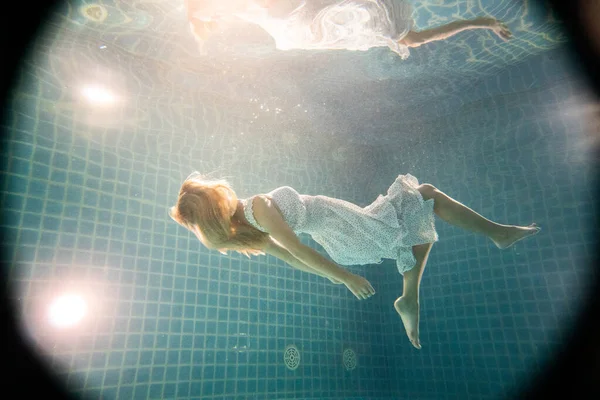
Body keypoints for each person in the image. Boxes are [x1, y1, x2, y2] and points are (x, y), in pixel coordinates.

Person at [169, 172, 540, 349]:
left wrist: (329, 272)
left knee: (415, 221)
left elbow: (292, 259)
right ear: (215, 203)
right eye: (214, 192)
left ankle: (410, 298)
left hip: (346, 228)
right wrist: (343, 276)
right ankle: (496, 233)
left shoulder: (248, 224)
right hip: (346, 229)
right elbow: (297, 252)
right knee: (422, 197)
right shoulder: (259, 209)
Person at [184, 0, 512, 58]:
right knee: (411, 40)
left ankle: (483, 22)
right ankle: (483, 23)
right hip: (303, 24)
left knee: (411, 39)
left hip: (306, 19)